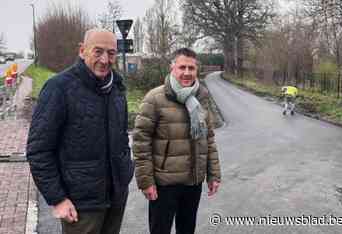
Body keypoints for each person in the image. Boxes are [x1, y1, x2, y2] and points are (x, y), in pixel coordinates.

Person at [26, 28, 134, 234]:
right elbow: (38, 151)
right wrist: (58, 199)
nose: (105, 60)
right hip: (80, 206)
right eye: (98, 52)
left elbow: (121, 138)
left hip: (115, 198)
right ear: (82, 50)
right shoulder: (59, 88)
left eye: (111, 53)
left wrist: (125, 174)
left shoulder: (117, 88)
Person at [132, 48, 221, 234]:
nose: (187, 72)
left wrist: (214, 175)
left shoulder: (202, 97)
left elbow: (209, 139)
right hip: (164, 184)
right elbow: (141, 142)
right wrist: (146, 181)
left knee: (187, 230)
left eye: (191, 68)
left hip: (193, 182)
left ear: (197, 70)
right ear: (172, 68)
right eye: (182, 67)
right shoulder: (154, 99)